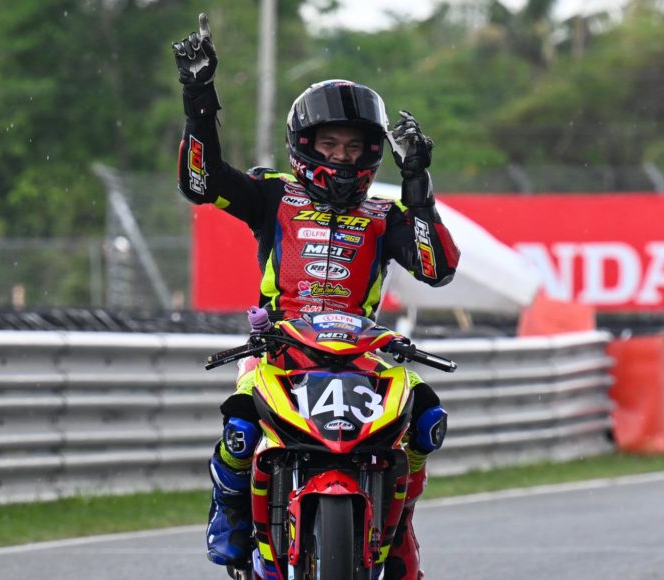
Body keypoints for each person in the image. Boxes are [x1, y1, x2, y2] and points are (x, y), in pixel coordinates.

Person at [173, 12, 460, 579]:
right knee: (239, 428)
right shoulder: (271, 196)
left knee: (427, 419)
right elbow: (200, 183)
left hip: (363, 354)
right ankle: (230, 515)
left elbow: (437, 268)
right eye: (329, 144)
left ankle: (398, 523)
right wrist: (199, 100)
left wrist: (418, 186)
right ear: (304, 146)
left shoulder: (386, 214)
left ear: (373, 151)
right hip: (279, 351)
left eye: (354, 146)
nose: (342, 157)